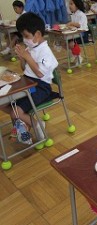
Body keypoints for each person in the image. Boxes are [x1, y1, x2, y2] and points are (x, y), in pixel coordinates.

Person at [0, 12, 58, 140]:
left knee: (16, 112)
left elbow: (39, 73)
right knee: (3, 104)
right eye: (23, 36)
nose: (25, 39)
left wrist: (27, 57)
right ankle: (23, 123)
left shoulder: (45, 51)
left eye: (26, 36)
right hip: (28, 83)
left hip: (41, 87)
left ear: (37, 35)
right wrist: (23, 59)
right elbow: (24, 69)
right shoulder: (31, 47)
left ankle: (36, 123)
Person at [67, 0, 88, 65]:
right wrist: (70, 26)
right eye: (69, 4)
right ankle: (75, 54)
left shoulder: (81, 14)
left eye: (71, 4)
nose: (69, 6)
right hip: (76, 34)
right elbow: (74, 26)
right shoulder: (73, 14)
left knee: (71, 43)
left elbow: (79, 25)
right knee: (64, 43)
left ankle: (78, 56)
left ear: (77, 5)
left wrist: (72, 23)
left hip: (83, 35)